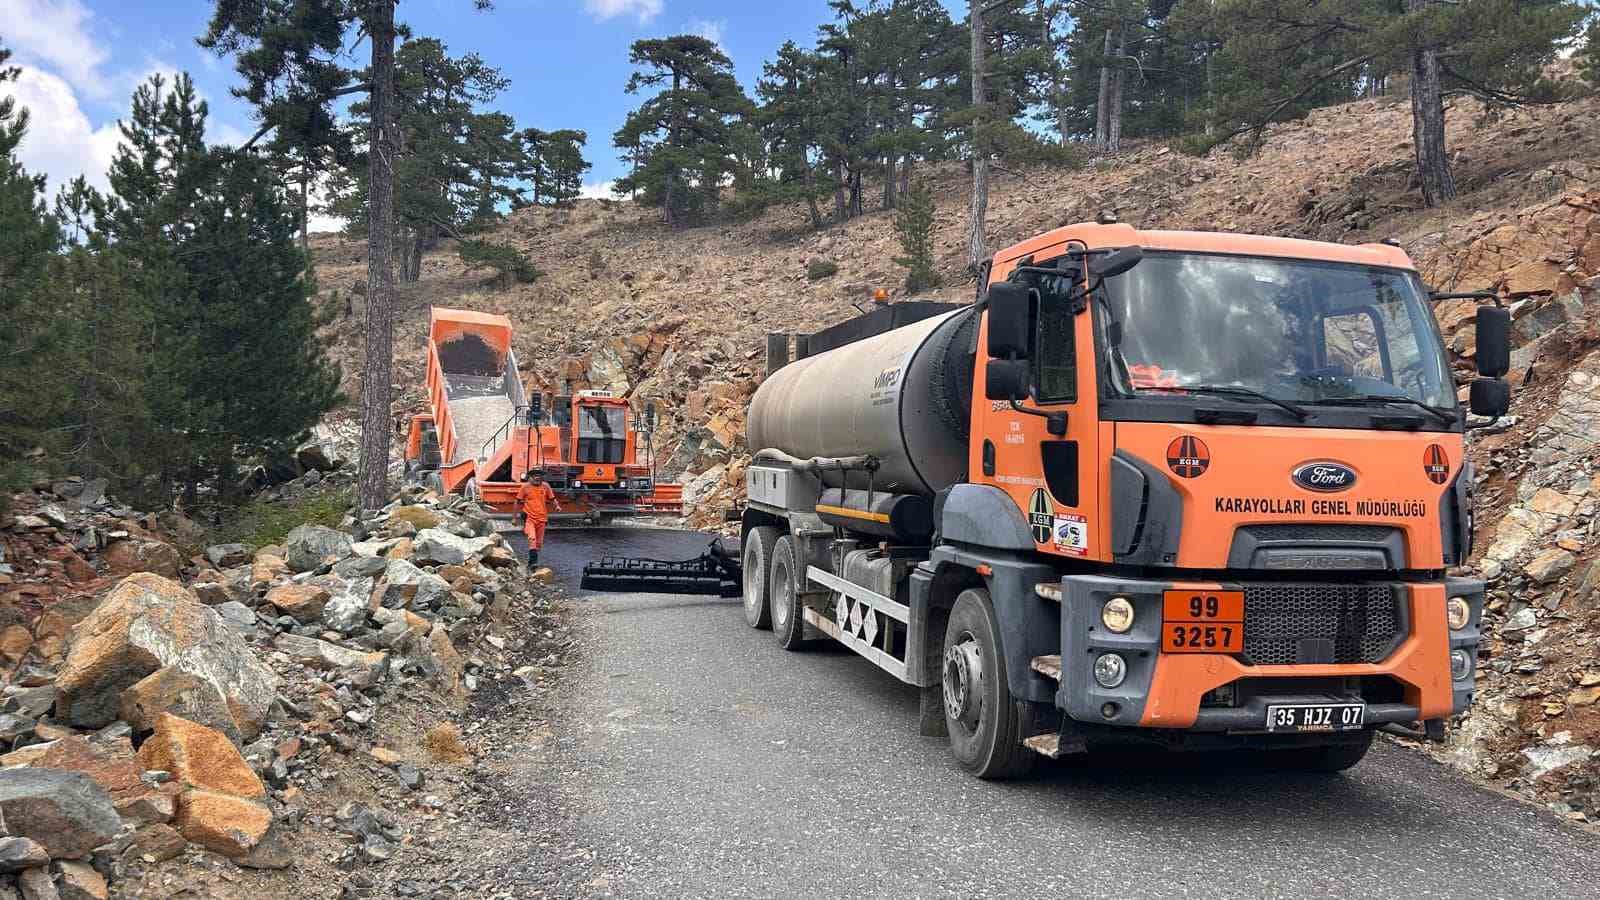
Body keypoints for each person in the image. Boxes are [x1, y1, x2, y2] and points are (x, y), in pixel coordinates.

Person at [516, 471, 560, 567]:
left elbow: (552, 499)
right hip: (529, 517)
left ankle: (530, 563)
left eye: (539, 476)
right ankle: (534, 563)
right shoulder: (525, 487)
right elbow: (517, 501)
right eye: (535, 476)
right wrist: (514, 518)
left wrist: (557, 506)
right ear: (530, 477)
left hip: (542, 518)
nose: (537, 478)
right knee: (532, 539)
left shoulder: (546, 486)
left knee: (538, 544)